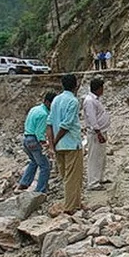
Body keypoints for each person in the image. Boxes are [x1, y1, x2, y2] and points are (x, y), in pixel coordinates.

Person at [46, 74, 84, 214]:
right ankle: (70, 207)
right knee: (73, 177)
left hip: (59, 147)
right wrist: (55, 141)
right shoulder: (73, 101)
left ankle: (76, 203)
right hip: (71, 143)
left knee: (66, 176)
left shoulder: (55, 100)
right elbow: (66, 124)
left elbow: (49, 123)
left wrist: (51, 145)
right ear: (76, 85)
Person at [17, 91, 57, 194]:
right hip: (34, 140)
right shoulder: (44, 114)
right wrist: (46, 145)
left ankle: (24, 183)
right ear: (48, 102)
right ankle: (40, 190)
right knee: (45, 166)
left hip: (26, 138)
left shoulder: (35, 109)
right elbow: (40, 133)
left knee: (34, 161)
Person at [82, 77, 111, 191]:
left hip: (101, 131)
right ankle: (93, 183)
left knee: (101, 157)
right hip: (95, 133)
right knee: (94, 158)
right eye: (102, 88)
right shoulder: (89, 101)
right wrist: (98, 132)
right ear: (98, 89)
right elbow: (92, 118)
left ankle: (99, 178)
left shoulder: (95, 99)